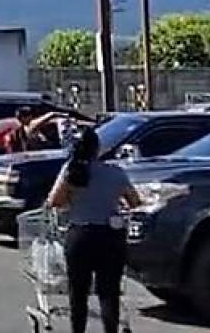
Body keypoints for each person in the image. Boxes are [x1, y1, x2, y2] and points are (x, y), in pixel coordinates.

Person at [46, 127, 142, 333]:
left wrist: (72, 199)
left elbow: (54, 201)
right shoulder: (115, 172)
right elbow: (134, 201)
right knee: (109, 292)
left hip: (79, 235)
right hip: (110, 236)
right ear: (97, 149)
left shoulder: (70, 171)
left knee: (78, 292)